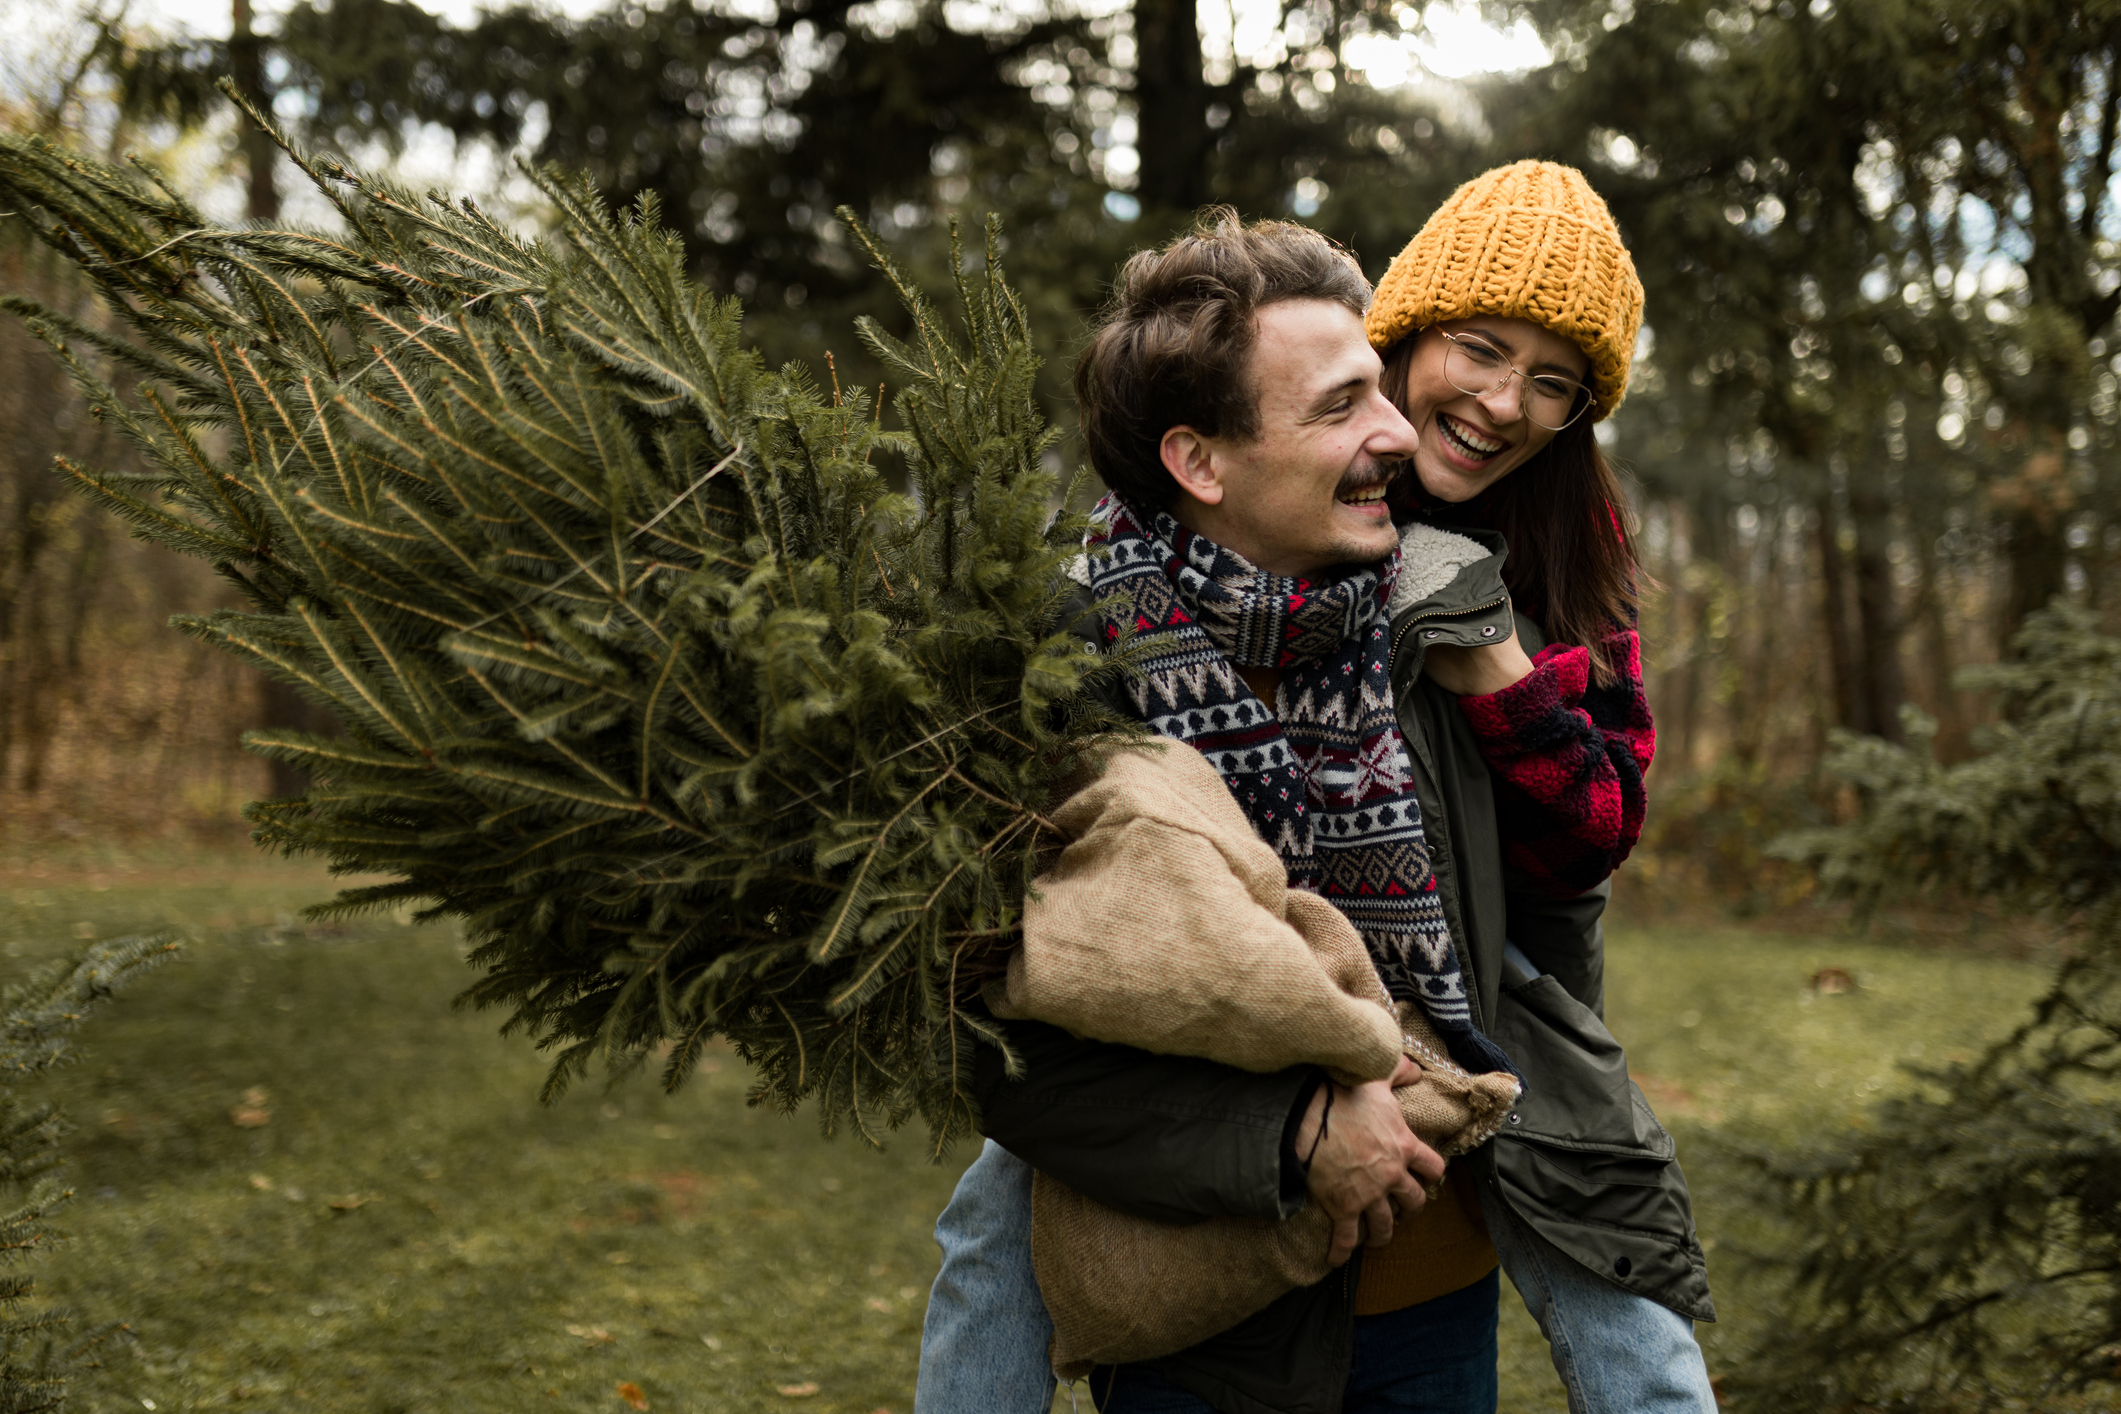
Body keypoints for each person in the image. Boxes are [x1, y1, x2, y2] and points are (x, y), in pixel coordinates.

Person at [916, 163, 1714, 1414]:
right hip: (1218, 973)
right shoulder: (1224, 540)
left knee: (1604, 1225)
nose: (1503, 402)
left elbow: (1591, 836)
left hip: (1475, 957)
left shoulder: (1549, 553)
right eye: (1480, 351)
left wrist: (1490, 654)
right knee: (995, 1213)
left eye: (1556, 382)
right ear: (1407, 339)